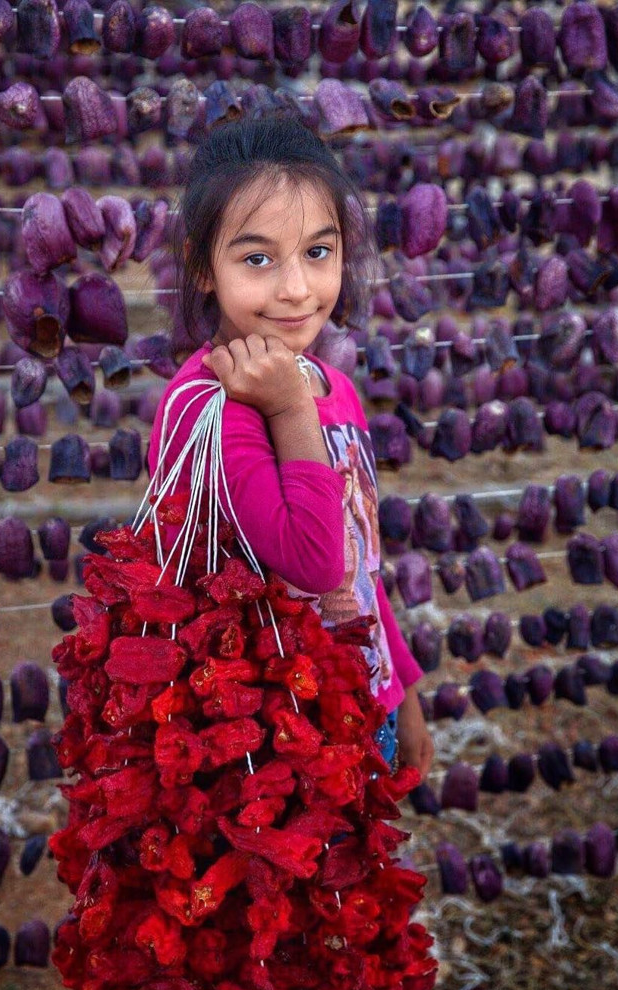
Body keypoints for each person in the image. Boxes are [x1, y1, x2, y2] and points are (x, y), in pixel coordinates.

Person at [147, 112, 434, 780]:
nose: (297, 288)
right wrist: (286, 406)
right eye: (257, 258)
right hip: (272, 746)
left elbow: (359, 562)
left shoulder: (331, 386)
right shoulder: (211, 405)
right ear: (201, 267)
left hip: (363, 706)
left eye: (318, 251)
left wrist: (404, 692)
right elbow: (312, 559)